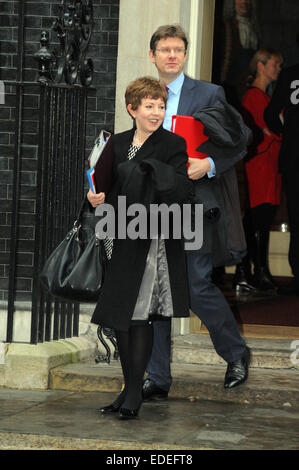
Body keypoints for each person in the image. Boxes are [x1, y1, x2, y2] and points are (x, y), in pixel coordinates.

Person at [143, 24, 251, 402]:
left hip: (196, 204)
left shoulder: (208, 93)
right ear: (153, 55)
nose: (172, 55)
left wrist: (208, 163)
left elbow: (240, 142)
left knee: (196, 283)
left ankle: (236, 354)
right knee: (156, 291)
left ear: (185, 55)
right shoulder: (144, 96)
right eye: (165, 49)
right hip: (155, 207)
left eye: (178, 49)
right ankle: (157, 376)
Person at [88, 77, 193, 419]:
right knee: (121, 316)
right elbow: (99, 184)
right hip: (116, 234)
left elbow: (178, 189)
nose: (156, 112)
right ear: (132, 109)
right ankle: (128, 387)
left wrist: (145, 172)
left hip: (151, 239)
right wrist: (94, 197)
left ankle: (134, 393)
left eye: (161, 106)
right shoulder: (116, 143)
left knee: (140, 316)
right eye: (149, 106)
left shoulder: (173, 144)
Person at [233, 48, 283, 293]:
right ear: (260, 66)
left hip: (270, 168)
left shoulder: (266, 98)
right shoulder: (253, 98)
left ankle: (253, 272)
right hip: (259, 168)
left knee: (261, 222)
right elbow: (263, 133)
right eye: (275, 63)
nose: (278, 68)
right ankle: (252, 272)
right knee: (255, 221)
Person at [264, 40, 299, 296]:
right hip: (293, 157)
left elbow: (270, 113)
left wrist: (286, 133)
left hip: (293, 156)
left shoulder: (289, 75)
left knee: (296, 219)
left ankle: (298, 274)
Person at [220, 0, 259, 110]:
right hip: (230, 84)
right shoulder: (226, 27)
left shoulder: (254, 28)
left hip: (246, 85)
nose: (244, 2)